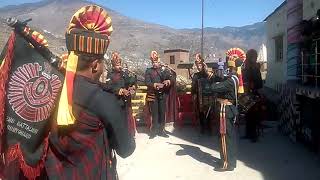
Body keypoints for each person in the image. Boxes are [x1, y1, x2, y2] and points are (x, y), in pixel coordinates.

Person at [44, 5, 135, 179]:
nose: (102, 69)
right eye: (102, 64)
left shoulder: (54, 87)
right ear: (94, 65)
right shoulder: (103, 99)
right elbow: (126, 149)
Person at [204, 49, 245, 172]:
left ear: (230, 68)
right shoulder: (234, 78)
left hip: (225, 111)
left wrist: (213, 82)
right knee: (229, 137)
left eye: (227, 66)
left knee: (224, 137)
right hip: (228, 110)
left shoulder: (230, 80)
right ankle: (229, 160)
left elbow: (213, 87)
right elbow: (220, 79)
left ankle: (227, 163)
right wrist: (210, 74)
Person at [106, 52, 137, 136]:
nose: (119, 66)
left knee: (127, 119)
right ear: (113, 65)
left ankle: (128, 135)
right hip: (116, 101)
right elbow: (108, 87)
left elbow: (131, 83)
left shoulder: (125, 74)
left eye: (120, 64)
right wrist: (120, 90)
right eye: (117, 65)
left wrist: (132, 88)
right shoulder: (110, 75)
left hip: (126, 101)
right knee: (118, 120)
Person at [145, 51, 173, 139]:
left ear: (159, 61)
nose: (154, 63)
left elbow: (171, 78)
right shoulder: (148, 71)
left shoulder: (163, 70)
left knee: (162, 113)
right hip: (153, 95)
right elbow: (147, 82)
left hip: (162, 94)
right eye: (153, 62)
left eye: (156, 62)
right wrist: (154, 85)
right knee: (154, 113)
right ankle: (154, 131)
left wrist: (168, 81)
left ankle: (161, 130)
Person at [243, 49, 263, 142]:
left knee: (254, 115)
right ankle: (248, 133)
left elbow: (260, 83)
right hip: (247, 93)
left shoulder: (256, 68)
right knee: (248, 114)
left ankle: (254, 135)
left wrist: (253, 85)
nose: (252, 59)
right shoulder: (246, 67)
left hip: (253, 93)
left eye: (253, 57)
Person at [191, 53, 211, 134]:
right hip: (199, 97)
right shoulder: (195, 75)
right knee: (201, 112)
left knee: (209, 112)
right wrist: (194, 95)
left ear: (203, 65)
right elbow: (193, 86)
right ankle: (202, 127)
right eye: (197, 66)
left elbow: (212, 82)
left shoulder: (207, 74)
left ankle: (209, 127)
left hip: (208, 96)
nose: (199, 67)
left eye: (200, 65)